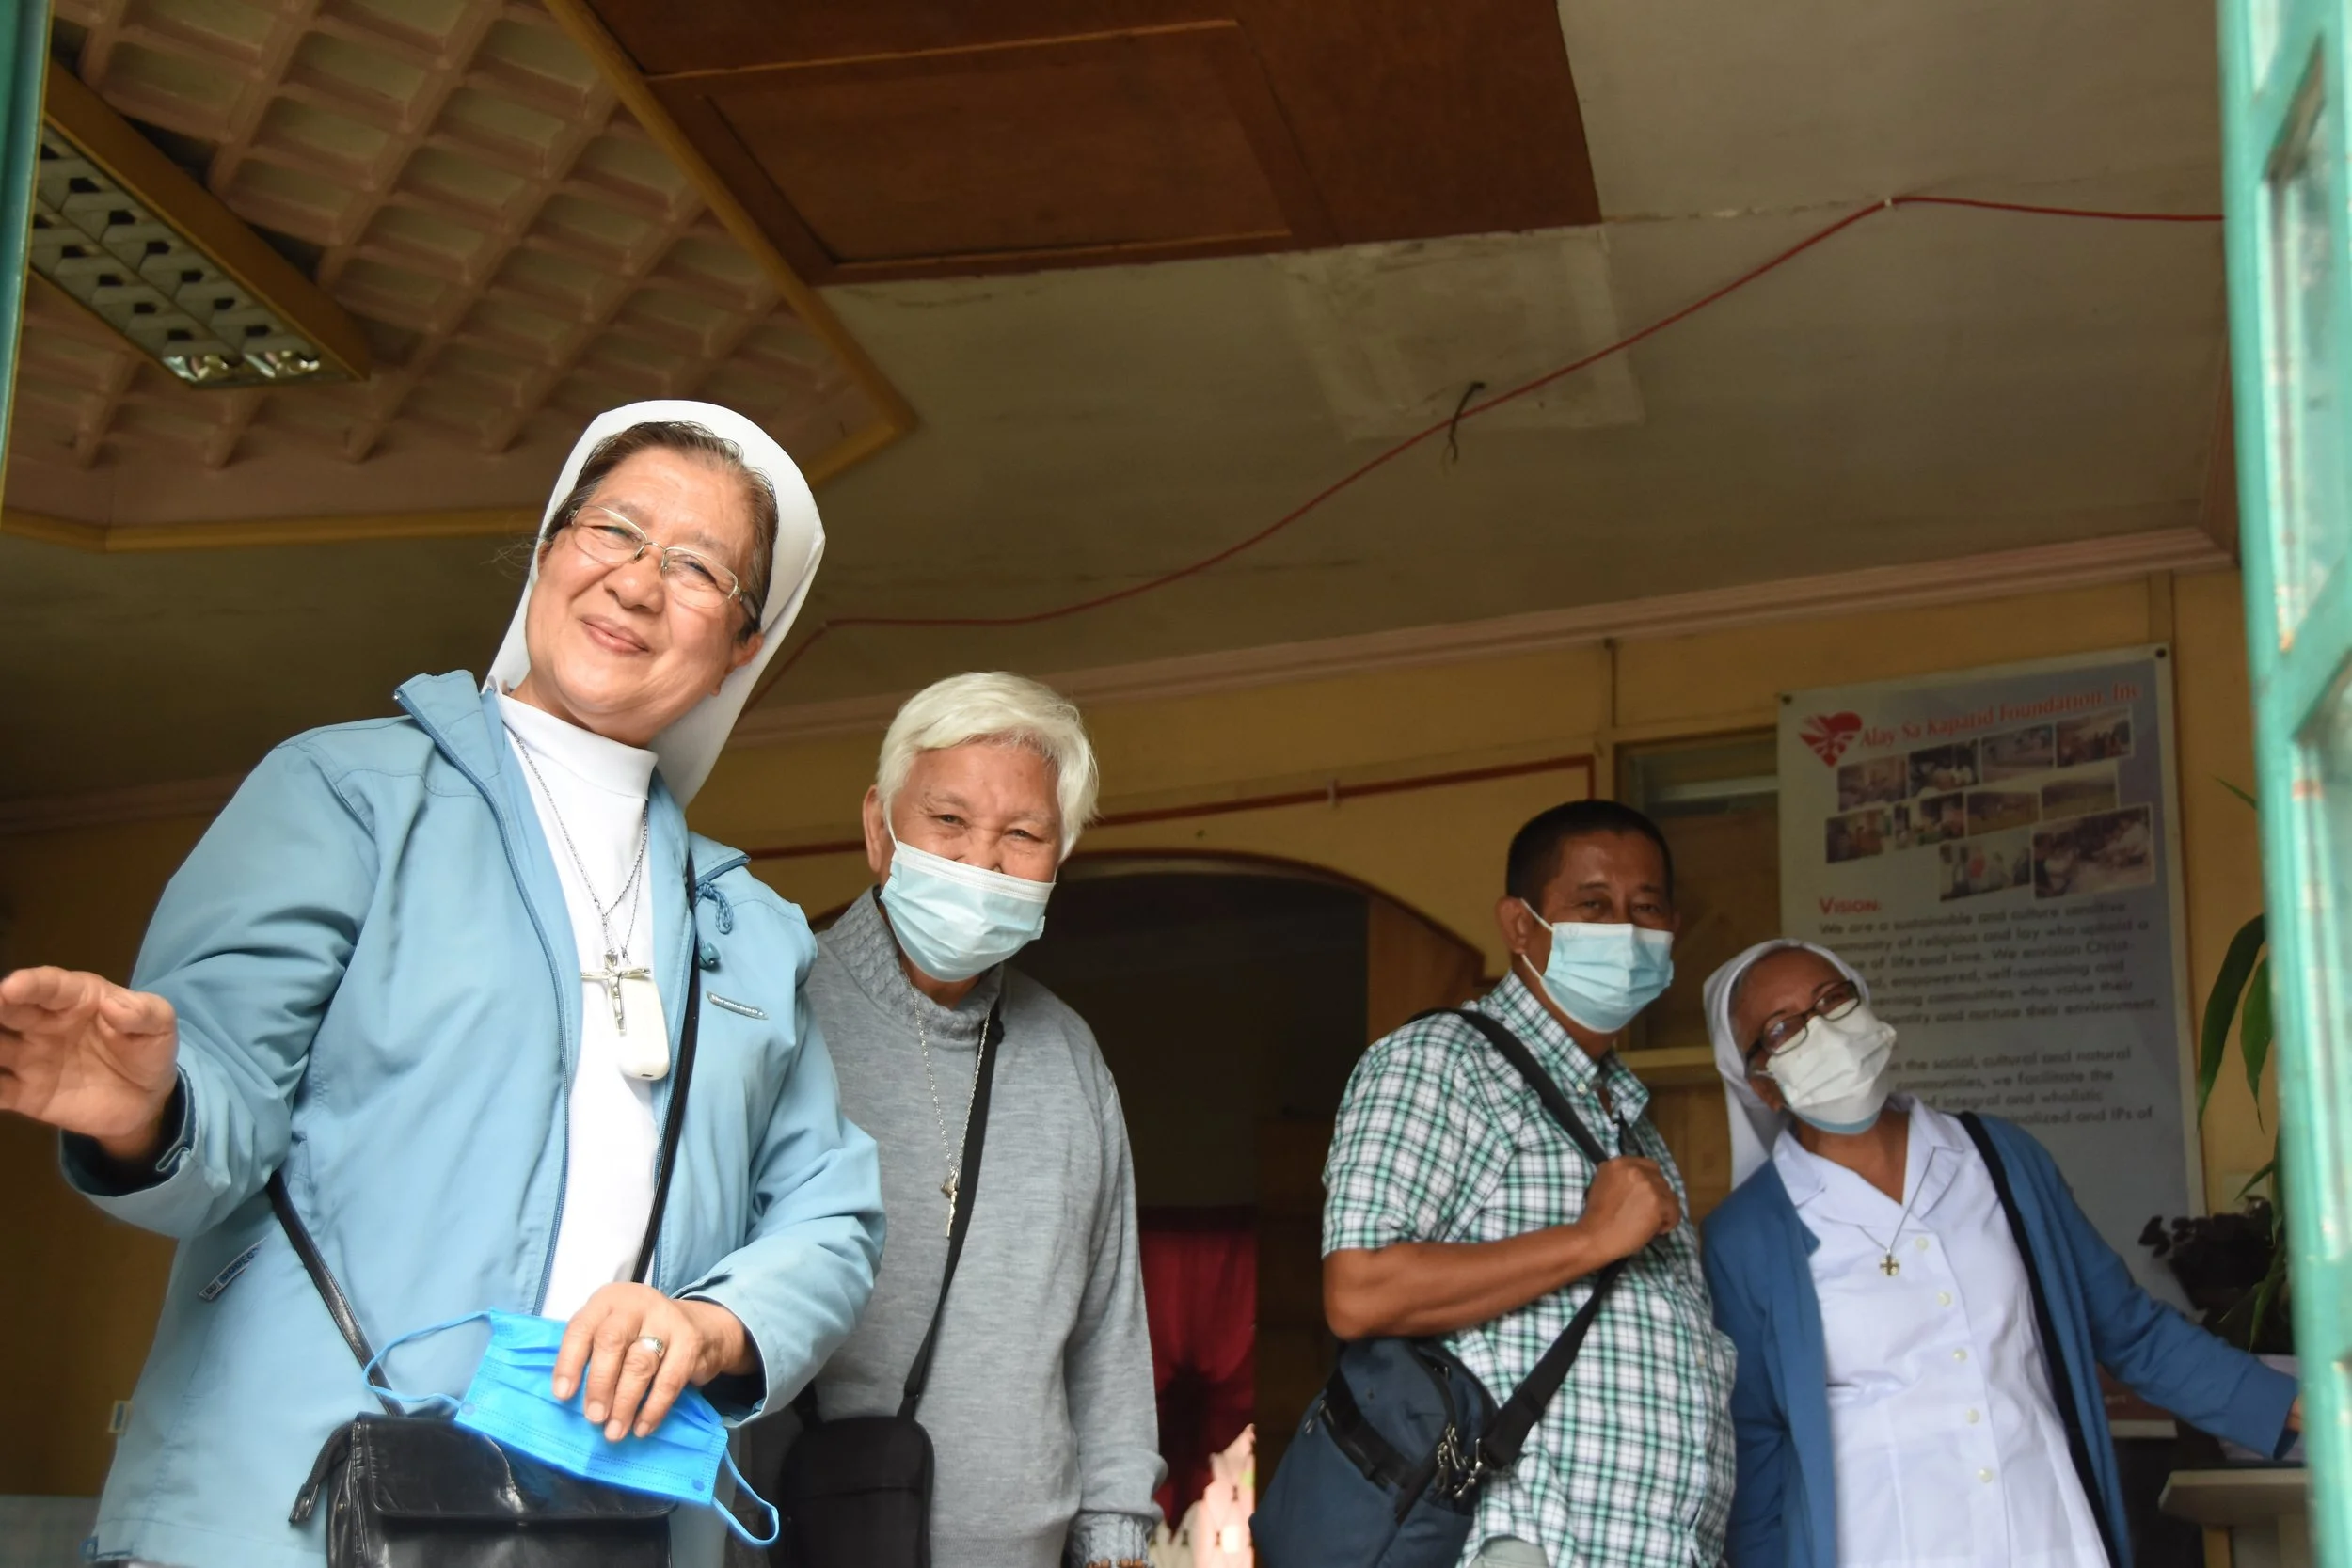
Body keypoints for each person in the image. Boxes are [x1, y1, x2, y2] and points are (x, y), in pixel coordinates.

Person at [0, 402, 885, 1568]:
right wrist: (151, 1111)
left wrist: (712, 1322)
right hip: (287, 1517)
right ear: (546, 549)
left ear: (741, 646)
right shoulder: (349, 795)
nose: (635, 580)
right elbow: (221, 1110)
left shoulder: (751, 930)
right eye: (611, 529)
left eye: (697, 567)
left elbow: (831, 1215)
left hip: (604, 1529)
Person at [1699, 940, 2302, 1568]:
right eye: (1783, 1027)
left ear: (1865, 1008)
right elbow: (1756, 1444)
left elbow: (2131, 1331)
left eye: (1832, 999)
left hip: (2044, 1531)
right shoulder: (1746, 1236)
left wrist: (2296, 1403)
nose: (1821, 1029)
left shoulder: (1999, 1159)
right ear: (1761, 1085)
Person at [780, 673, 1163, 1568]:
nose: (979, 862)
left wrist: (1115, 1534)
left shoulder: (1068, 1056)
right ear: (880, 828)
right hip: (800, 1540)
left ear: (1058, 855)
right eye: (947, 822)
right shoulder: (772, 1008)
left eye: (1022, 835)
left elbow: (1110, 1325)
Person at [1320, 800, 1737, 1568]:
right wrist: (1588, 1240)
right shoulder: (1441, 1060)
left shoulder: (1630, 1116)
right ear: (1520, 926)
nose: (1626, 928)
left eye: (1647, 908)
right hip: (1530, 1542)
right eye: (1593, 904)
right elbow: (1360, 1288)